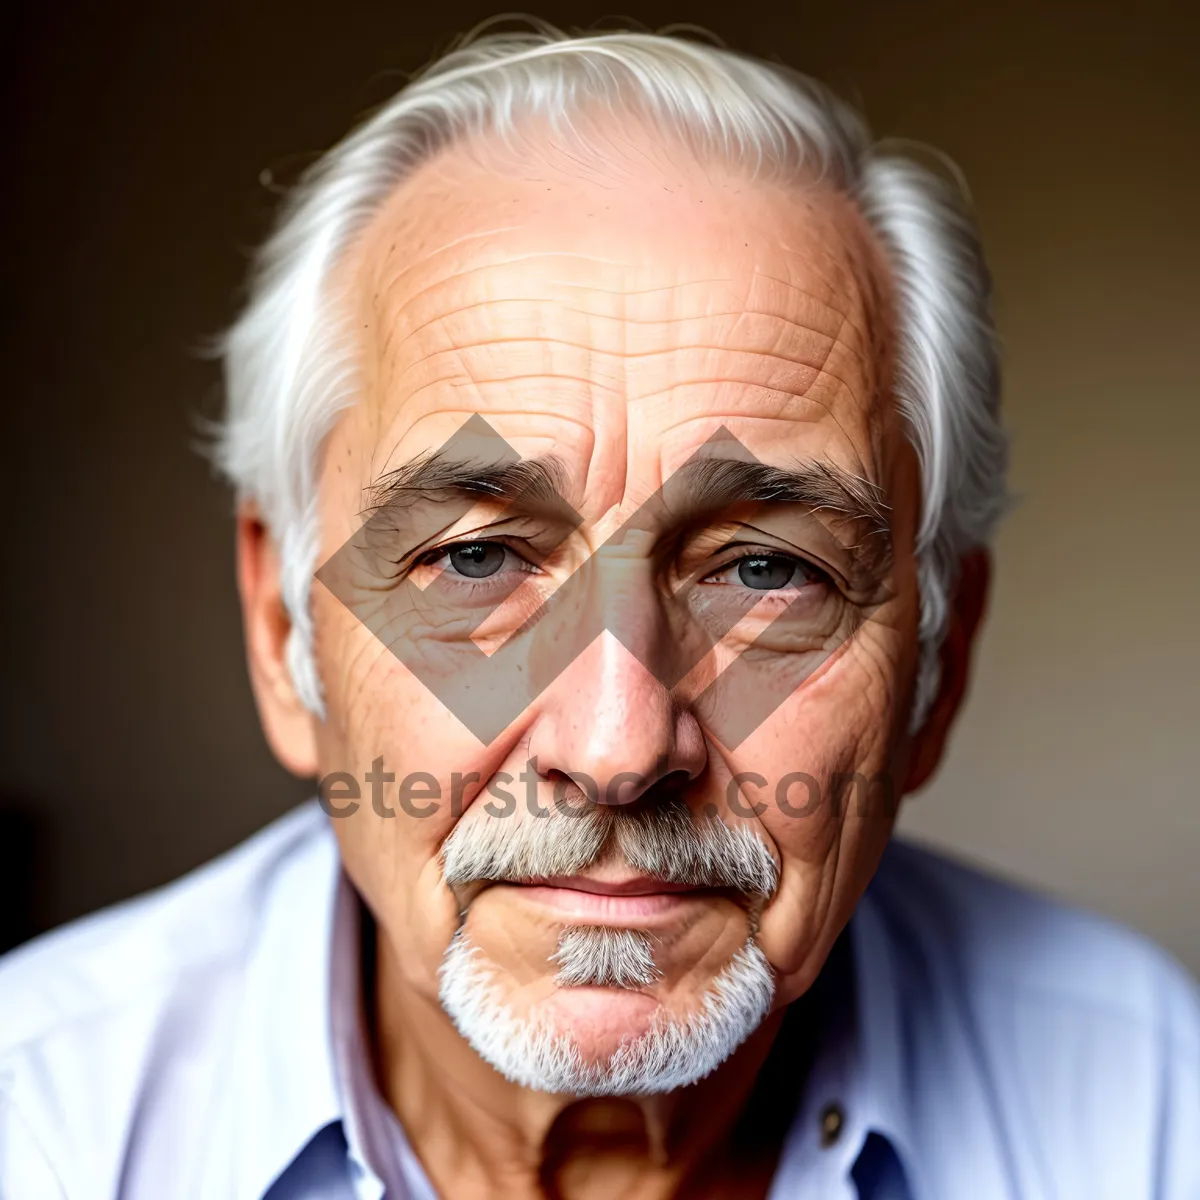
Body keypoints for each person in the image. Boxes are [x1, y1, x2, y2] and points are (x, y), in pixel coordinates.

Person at [1, 23, 1196, 1200]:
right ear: (281, 636)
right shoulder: (38, 1129)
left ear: (940, 663)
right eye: (474, 561)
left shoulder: (1150, 1105)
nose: (619, 749)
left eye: (767, 571)